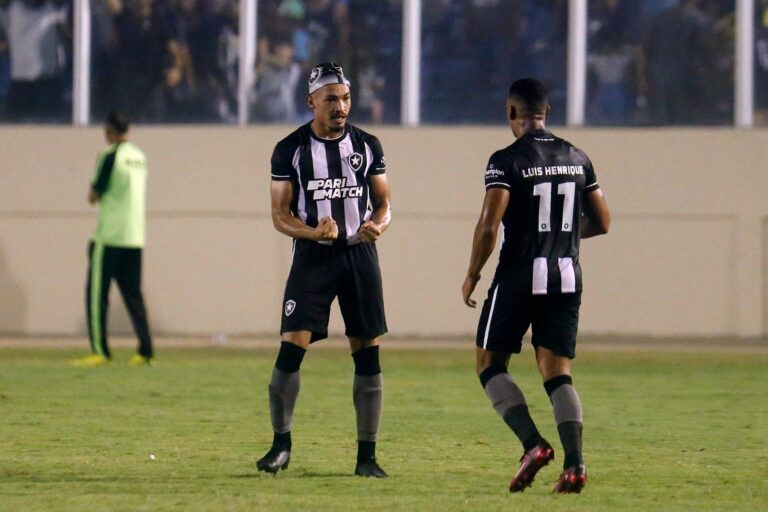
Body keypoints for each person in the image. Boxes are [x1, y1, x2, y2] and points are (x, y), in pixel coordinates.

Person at [461, 79, 610, 494]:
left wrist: (473, 272)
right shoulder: (578, 157)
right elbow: (602, 222)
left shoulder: (506, 160)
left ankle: (533, 445)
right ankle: (576, 466)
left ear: (512, 112)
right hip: (567, 274)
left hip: (520, 274)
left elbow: (490, 226)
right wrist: (562, 235)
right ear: (547, 111)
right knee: (558, 373)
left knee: (489, 363)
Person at [257, 62, 391, 478]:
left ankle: (366, 457)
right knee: (291, 350)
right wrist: (312, 231)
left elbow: (384, 203)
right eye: (331, 98)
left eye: (346, 98)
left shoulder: (368, 146)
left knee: (367, 355)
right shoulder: (290, 149)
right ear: (311, 101)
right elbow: (280, 215)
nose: (341, 106)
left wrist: (378, 226)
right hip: (312, 257)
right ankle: (281, 445)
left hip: (358, 256)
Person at [73, 111, 154, 367]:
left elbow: (94, 194)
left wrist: (94, 194)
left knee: (97, 294)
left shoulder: (110, 156)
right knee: (133, 295)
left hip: (109, 237)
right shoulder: (140, 157)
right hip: (134, 237)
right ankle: (145, 350)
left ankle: (100, 350)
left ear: (108, 130)